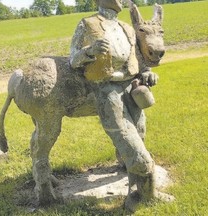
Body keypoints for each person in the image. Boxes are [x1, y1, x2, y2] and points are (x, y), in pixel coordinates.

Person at [69, 0, 169, 212]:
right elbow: (72, 60)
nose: (122, 1)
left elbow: (137, 60)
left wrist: (146, 73)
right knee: (136, 150)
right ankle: (143, 195)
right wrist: (89, 51)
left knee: (139, 136)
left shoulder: (125, 27)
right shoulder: (87, 24)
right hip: (107, 91)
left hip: (132, 88)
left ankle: (141, 190)